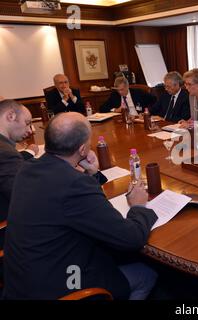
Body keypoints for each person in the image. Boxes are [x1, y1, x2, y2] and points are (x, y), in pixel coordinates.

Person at [3, 112, 158, 300]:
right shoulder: (73, 185)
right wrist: (138, 207)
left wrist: (91, 171)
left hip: (21, 279)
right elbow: (131, 238)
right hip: (61, 285)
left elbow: (77, 205)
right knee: (146, 274)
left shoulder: (28, 168)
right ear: (83, 148)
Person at [0, 99, 38, 217]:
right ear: (11, 116)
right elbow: (26, 199)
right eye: (27, 123)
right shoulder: (6, 153)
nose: (30, 130)